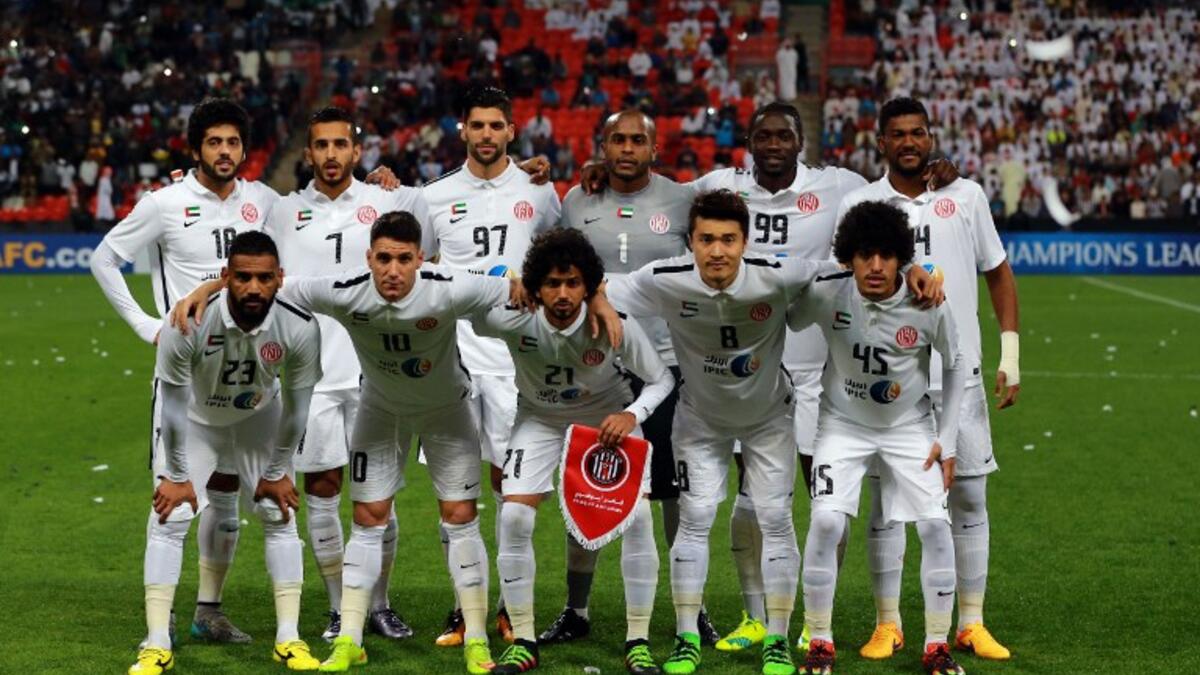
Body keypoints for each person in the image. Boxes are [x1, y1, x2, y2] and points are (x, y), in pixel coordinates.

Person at [602, 189, 940, 675]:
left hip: (768, 421)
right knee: (695, 520)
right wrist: (602, 302)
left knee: (776, 520)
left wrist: (915, 268)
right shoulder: (664, 278)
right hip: (699, 421)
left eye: (728, 240)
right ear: (690, 243)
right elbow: (595, 285)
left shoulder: (780, 273)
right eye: (706, 240)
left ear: (746, 241)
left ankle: (777, 639)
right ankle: (685, 636)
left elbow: (860, 265)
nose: (717, 251)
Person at [92, 98, 280, 645]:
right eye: (214, 142)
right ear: (195, 148)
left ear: (245, 149)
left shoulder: (263, 201)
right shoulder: (165, 203)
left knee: (225, 501)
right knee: (173, 506)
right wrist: (147, 325)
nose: (225, 152)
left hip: (248, 380)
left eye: (233, 142)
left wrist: (385, 185)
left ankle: (209, 610)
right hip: (185, 379)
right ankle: (159, 625)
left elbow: (322, 218)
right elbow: (104, 258)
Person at [837, 97, 1019, 662]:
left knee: (968, 494)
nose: (909, 142)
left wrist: (1009, 354)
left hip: (957, 375)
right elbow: (838, 277)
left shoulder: (966, 196)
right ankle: (887, 623)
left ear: (931, 136)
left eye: (918, 133)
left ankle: (970, 621)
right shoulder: (861, 202)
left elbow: (998, 273)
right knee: (888, 502)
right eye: (898, 134)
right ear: (881, 142)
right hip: (890, 382)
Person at [471, 228, 673, 674]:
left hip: (606, 421)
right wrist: (504, 279)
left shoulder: (612, 322)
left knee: (638, 518)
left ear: (589, 286)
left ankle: (637, 642)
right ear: (536, 288)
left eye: (574, 283)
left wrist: (633, 415)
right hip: (538, 419)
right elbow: (467, 303)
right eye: (552, 284)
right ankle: (523, 641)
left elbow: (662, 379)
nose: (563, 295)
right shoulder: (511, 317)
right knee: (515, 514)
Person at [266, 106, 432, 643]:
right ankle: (341, 608)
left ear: (357, 152)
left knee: (377, 495)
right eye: (322, 145)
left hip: (375, 372)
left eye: (341, 145)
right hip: (308, 375)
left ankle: (378, 603)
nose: (332, 155)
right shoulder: (283, 212)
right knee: (322, 487)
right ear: (307, 152)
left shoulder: (386, 201)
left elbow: (448, 218)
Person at [130, 231, 322, 674]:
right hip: (197, 422)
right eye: (242, 277)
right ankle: (157, 641)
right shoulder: (188, 321)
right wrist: (177, 476)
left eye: (263, 278)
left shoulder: (300, 326)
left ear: (279, 279)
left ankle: (288, 638)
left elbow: (298, 408)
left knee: (279, 512)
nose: (253, 288)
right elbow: (173, 407)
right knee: (170, 514)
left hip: (259, 418)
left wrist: (277, 471)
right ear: (224, 278)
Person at [544, 109, 702, 645]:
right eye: (618, 140)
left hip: (665, 365)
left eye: (638, 139)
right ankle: (576, 609)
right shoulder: (576, 200)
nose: (628, 148)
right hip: (594, 370)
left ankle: (690, 607)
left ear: (655, 148)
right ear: (602, 147)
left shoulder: (683, 200)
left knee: (672, 494)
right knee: (586, 487)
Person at [791, 200, 967, 675]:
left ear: (900, 259)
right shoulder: (828, 292)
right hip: (842, 424)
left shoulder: (927, 300)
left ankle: (936, 645)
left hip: (909, 425)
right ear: (848, 256)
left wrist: (946, 441)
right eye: (864, 254)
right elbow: (786, 316)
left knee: (934, 525)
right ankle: (820, 641)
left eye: (886, 256)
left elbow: (955, 363)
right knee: (827, 522)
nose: (874, 266)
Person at [422, 86, 562, 646]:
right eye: (476, 125)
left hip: (516, 365)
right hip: (452, 364)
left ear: (511, 130)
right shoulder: (433, 196)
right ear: (463, 129)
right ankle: (465, 607)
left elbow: (558, 259)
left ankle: (508, 607)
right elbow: (422, 264)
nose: (485, 135)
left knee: (513, 492)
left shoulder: (538, 189)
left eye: (495, 125)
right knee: (455, 495)